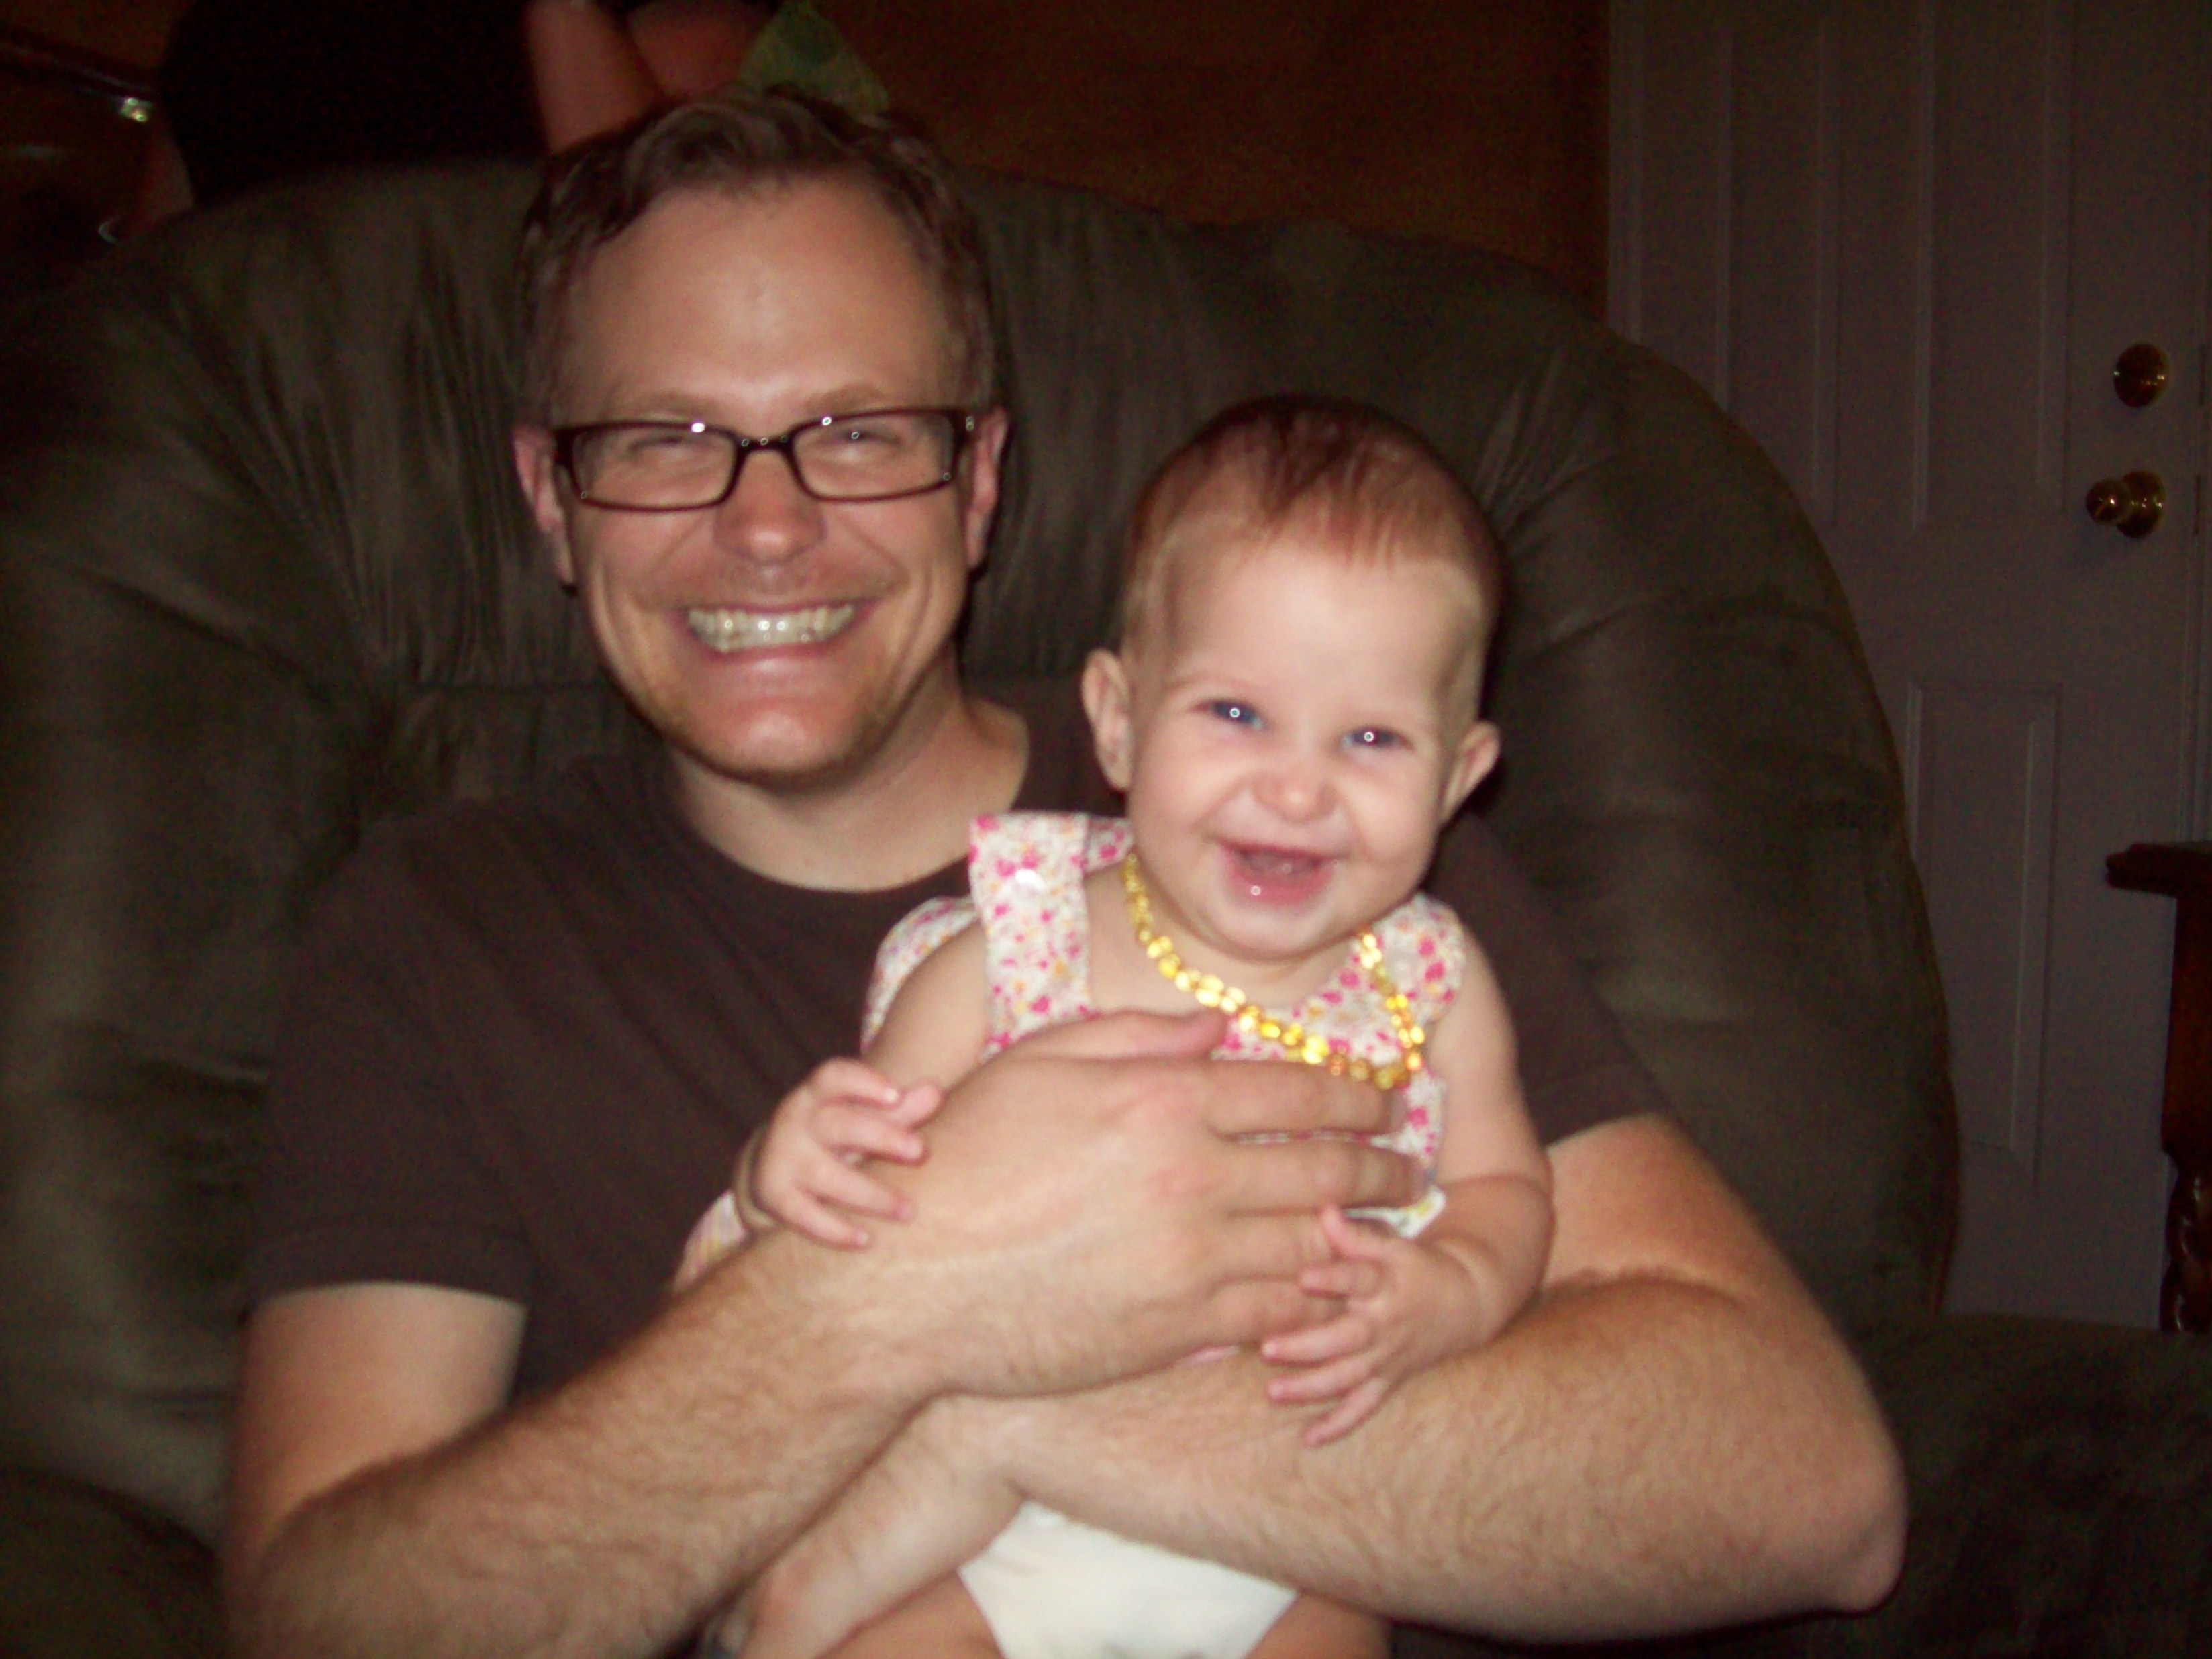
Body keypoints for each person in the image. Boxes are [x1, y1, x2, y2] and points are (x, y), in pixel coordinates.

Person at [221, 87, 1906, 1659]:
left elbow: (1806, 1492)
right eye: (664, 436)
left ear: (980, 482)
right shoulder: (433, 930)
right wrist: (878, 1306)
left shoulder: (1331, 850)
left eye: (858, 431)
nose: (766, 525)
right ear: (549, 496)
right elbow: (323, 1622)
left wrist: (1002, 1406)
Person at [702, 395, 1555, 1659]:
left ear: (1459, 777)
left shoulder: (1432, 982)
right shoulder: (1013, 947)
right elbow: (867, 1181)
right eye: (1235, 715)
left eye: (1372, 738)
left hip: (1289, 1521)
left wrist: (1455, 1290)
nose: (1297, 787)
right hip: (984, 1529)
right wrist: (791, 1163)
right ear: (1116, 719)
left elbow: (1506, 1191)